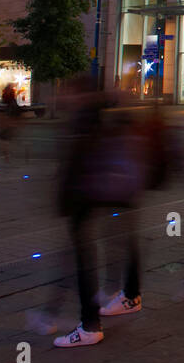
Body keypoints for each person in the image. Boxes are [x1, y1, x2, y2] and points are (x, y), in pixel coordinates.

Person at [53, 86, 149, 348]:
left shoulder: (85, 122)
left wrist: (65, 202)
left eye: (69, 92)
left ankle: (90, 326)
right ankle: (129, 296)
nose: (63, 96)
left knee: (85, 258)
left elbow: (76, 167)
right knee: (119, 243)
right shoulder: (104, 119)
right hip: (113, 197)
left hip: (90, 199)